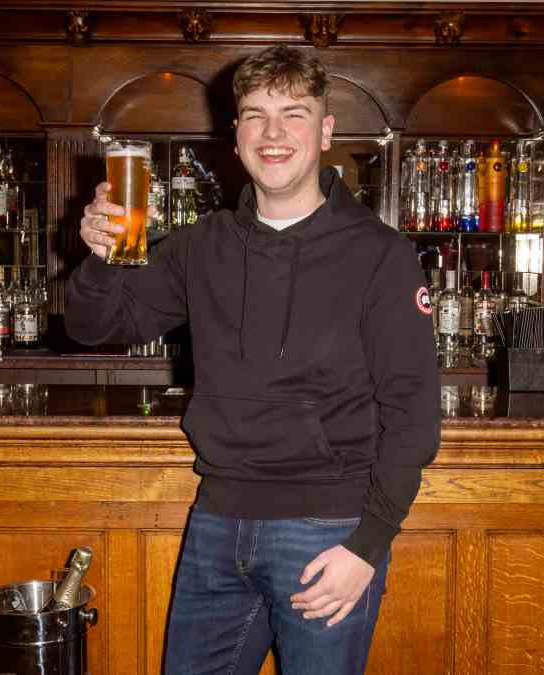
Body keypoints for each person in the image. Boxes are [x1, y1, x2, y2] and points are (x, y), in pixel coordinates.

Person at [65, 44, 440, 675]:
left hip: (328, 531)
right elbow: (92, 326)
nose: (273, 133)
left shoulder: (381, 255)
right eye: (254, 115)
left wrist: (369, 545)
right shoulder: (199, 247)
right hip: (216, 523)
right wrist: (100, 257)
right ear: (234, 134)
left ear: (324, 132)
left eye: (294, 114)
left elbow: (412, 414)